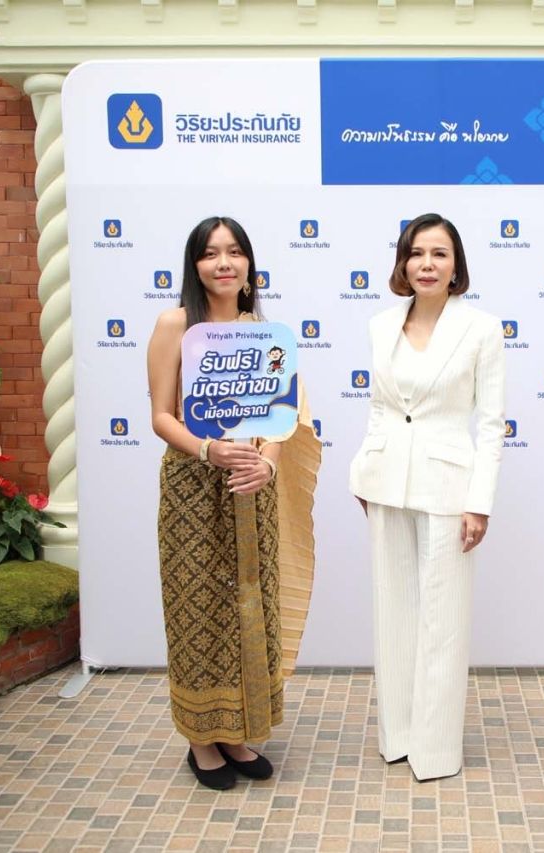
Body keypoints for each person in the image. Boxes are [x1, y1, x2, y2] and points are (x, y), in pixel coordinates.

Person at [147, 216, 320, 790]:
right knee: (197, 607)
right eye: (210, 253)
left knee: (250, 605)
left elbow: (283, 416)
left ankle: (237, 731)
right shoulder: (176, 324)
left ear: (249, 265)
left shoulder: (264, 333)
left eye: (234, 251)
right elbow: (161, 416)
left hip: (252, 488)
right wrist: (208, 450)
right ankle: (202, 738)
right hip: (194, 489)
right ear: (194, 265)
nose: (223, 262)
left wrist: (266, 462)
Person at [348, 213, 506, 782]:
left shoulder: (482, 328)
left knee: (443, 619)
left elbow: (492, 424)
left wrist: (479, 501)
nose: (427, 264)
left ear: (456, 264)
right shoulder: (380, 324)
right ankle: (398, 737)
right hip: (384, 481)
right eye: (417, 253)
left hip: (449, 487)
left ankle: (435, 751)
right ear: (403, 262)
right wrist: (363, 470)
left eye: (439, 254)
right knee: (393, 612)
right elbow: (380, 408)